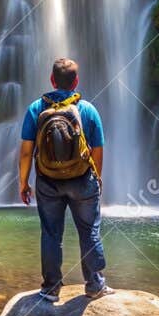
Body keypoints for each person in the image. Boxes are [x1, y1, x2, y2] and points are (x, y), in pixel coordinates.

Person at [18, 57, 112, 301]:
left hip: (48, 181)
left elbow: (27, 151)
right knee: (89, 229)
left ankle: (50, 289)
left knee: (51, 233)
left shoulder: (36, 108)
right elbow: (98, 150)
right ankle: (94, 284)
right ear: (76, 82)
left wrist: (23, 182)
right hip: (82, 180)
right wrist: (97, 179)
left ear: (51, 80)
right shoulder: (88, 110)